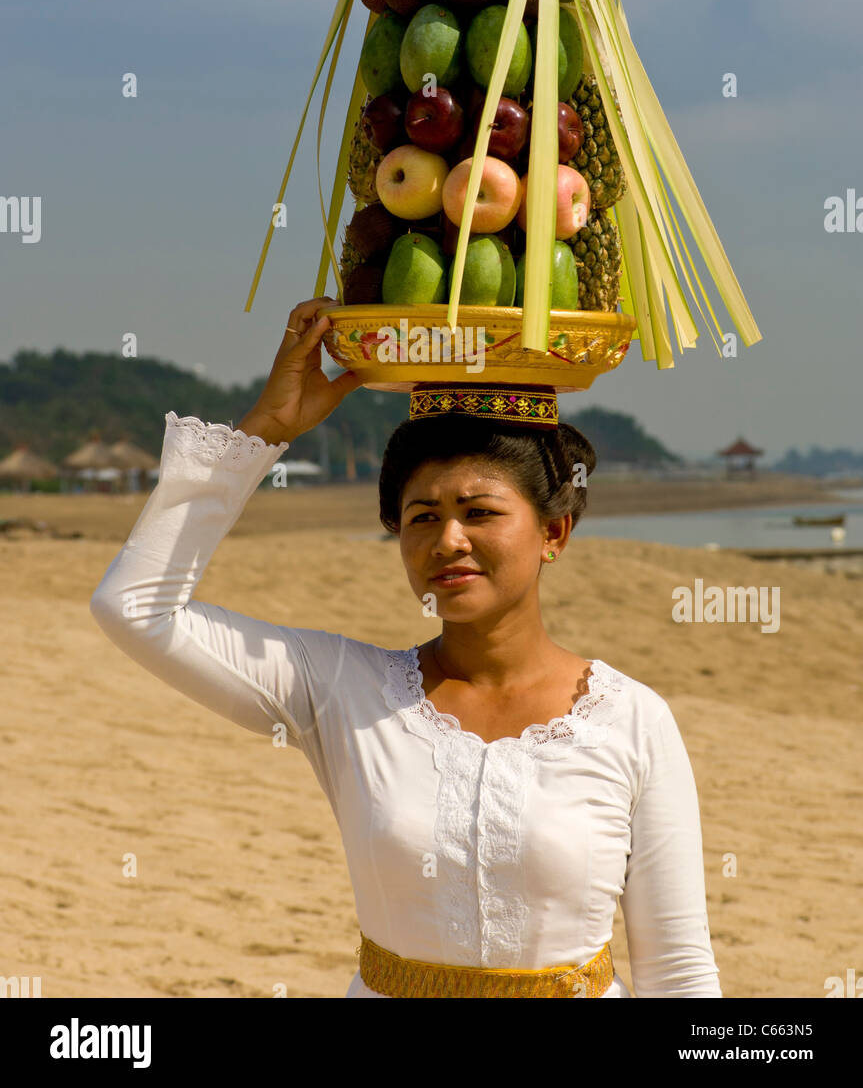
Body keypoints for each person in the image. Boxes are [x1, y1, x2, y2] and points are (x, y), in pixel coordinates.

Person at [90, 297, 722, 999]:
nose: (447, 541)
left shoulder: (629, 719)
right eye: (423, 517)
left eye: (480, 513)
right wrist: (266, 430)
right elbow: (136, 607)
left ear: (554, 533)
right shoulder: (343, 690)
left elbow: (678, 973)